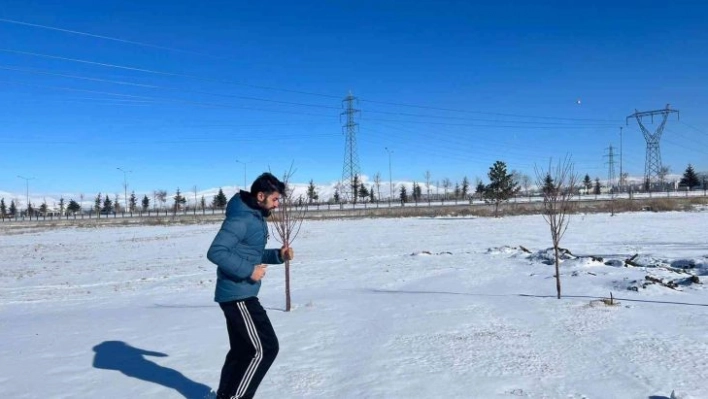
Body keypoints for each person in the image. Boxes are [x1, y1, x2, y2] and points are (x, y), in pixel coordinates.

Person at [207, 172, 294, 399]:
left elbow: (249, 252)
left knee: (242, 351)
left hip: (238, 294)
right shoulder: (241, 219)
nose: (277, 204)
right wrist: (249, 271)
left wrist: (278, 255)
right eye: (275, 199)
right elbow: (216, 251)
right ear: (260, 195)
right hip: (238, 296)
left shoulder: (253, 216)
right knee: (265, 349)